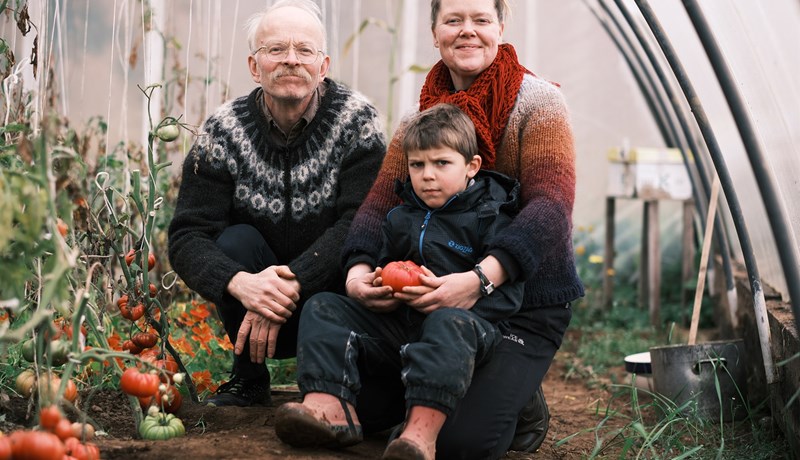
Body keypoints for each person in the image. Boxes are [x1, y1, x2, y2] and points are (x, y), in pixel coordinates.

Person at [276, 0, 583, 458]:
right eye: (453, 20)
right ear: (434, 31)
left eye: (481, 19)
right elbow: (378, 206)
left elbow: (551, 206)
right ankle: (342, 410)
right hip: (432, 300)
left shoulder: (538, 104)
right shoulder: (421, 119)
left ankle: (520, 399)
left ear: (500, 26)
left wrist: (480, 278)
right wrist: (359, 273)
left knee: (462, 443)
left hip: (520, 304)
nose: (468, 31)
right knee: (369, 404)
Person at [167, 0, 386, 407]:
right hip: (250, 306)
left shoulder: (357, 122)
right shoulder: (223, 131)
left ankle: (332, 378)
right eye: (276, 50)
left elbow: (362, 220)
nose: (291, 60)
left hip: (329, 299)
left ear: (323, 66)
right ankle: (248, 379)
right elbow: (187, 235)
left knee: (354, 251)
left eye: (305, 50)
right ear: (254, 66)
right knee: (235, 241)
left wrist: (291, 281)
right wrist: (243, 284)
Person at [274, 102, 526, 456]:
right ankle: (328, 407)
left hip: (465, 332)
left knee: (447, 324)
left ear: (472, 167)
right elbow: (383, 263)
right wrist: (379, 285)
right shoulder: (399, 216)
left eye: (442, 163)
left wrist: (463, 295)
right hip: (401, 325)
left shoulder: (490, 217)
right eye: (417, 165)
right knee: (323, 307)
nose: (427, 175)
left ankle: (420, 436)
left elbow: (509, 294)